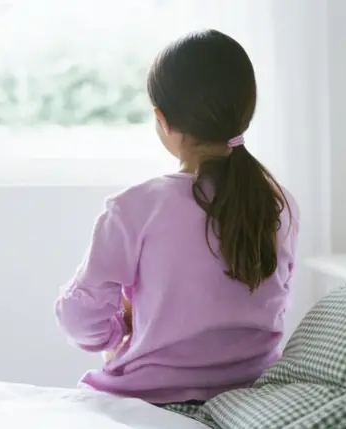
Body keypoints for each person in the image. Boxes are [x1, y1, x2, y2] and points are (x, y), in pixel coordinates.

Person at [55, 29, 299, 406]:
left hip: (149, 399)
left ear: (162, 120)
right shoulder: (279, 204)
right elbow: (273, 302)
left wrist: (118, 329)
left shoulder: (134, 207)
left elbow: (80, 321)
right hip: (250, 394)